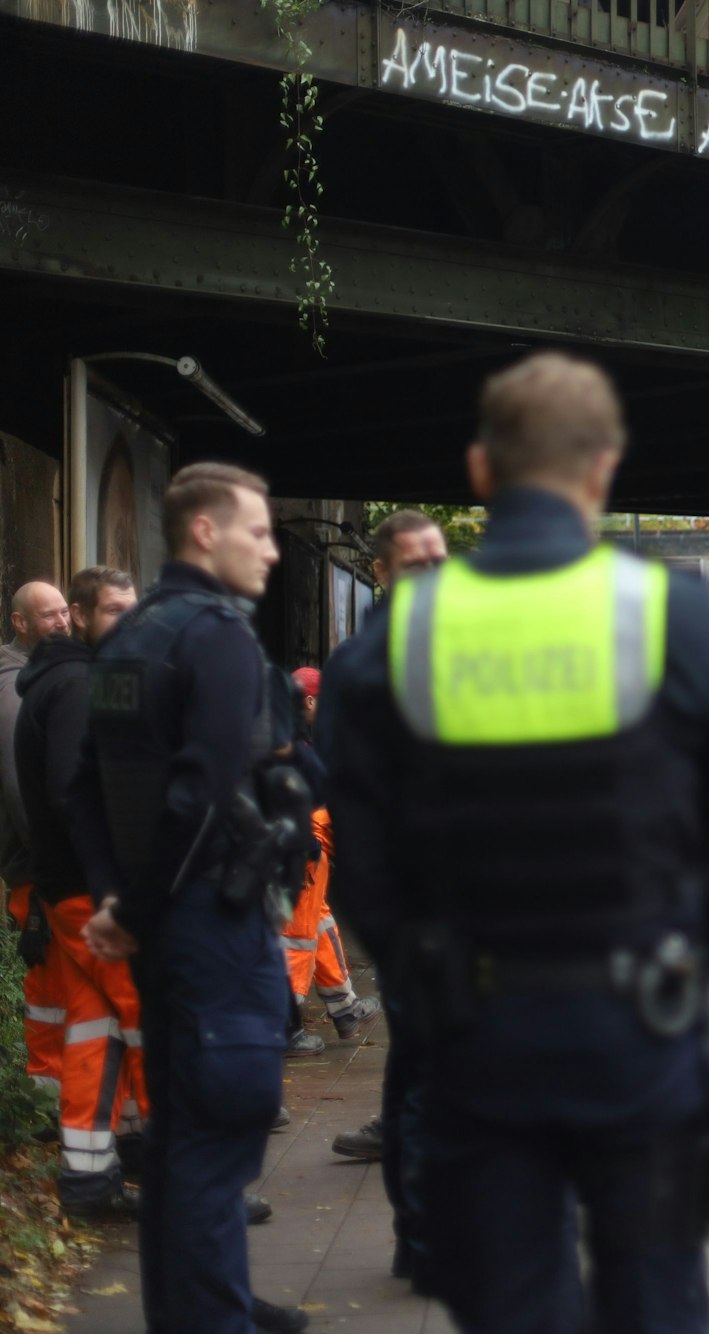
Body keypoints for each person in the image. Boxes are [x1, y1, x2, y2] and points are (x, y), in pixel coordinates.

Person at [324, 350, 709, 1333]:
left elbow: (354, 847)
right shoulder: (666, 612)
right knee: (656, 1293)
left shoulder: (400, 637)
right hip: (641, 1031)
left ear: (481, 474)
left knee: (511, 1303)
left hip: (475, 1034)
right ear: (603, 469)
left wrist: (418, 955)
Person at [71, 463, 309, 1334]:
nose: (273, 551)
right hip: (213, 925)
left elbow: (84, 790)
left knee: (177, 1148)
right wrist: (130, 908)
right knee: (215, 1143)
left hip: (165, 930)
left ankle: (202, 1311)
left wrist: (116, 900)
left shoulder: (128, 641)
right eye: (259, 531)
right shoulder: (217, 637)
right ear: (204, 532)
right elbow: (203, 790)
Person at [315, 509, 449, 1285]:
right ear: (381, 575)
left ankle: (427, 1230)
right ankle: (428, 1242)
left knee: (426, 1067)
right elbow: (352, 798)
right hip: (414, 907)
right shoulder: (367, 665)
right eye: (416, 566)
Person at [15, 567, 149, 1217]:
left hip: (69, 889)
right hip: (94, 892)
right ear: (78, 614)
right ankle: (185, 1179)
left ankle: (89, 1177)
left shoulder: (66, 680)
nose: (130, 623)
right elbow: (83, 793)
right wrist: (113, 891)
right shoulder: (76, 686)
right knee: (152, 1020)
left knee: (95, 1026)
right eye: (116, 611)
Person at [279, 667, 379, 1053]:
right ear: (309, 700)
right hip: (304, 848)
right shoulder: (294, 742)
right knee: (297, 936)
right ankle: (285, 1026)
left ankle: (344, 1008)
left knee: (317, 924)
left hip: (308, 846)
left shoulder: (295, 736)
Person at [2, 581, 72, 1104]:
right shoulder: (13, 689)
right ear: (19, 623)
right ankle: (49, 1101)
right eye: (48, 616)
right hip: (40, 874)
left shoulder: (50, 676)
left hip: (49, 870)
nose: (62, 623)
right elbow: (21, 789)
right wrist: (51, 866)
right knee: (51, 995)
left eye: (65, 612)